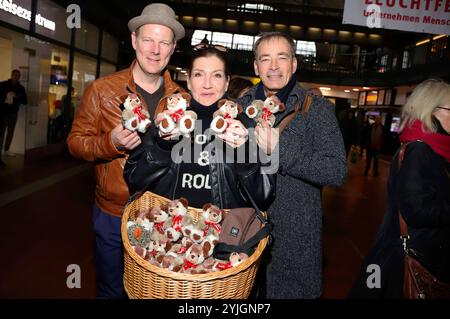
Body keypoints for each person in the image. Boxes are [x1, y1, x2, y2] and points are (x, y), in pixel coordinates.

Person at [67, 3, 186, 299]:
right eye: (148, 39)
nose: (155, 50)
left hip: (161, 213)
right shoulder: (102, 90)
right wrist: (111, 143)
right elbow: (75, 142)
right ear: (134, 41)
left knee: (153, 290)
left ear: (173, 48)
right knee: (112, 289)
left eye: (164, 42)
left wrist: (183, 142)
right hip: (113, 213)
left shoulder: (182, 99)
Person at [238, 31, 347, 298]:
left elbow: (336, 170)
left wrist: (280, 150)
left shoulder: (316, 109)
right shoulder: (240, 108)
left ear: (294, 64)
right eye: (265, 59)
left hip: (293, 243)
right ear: (256, 66)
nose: (273, 66)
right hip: (243, 233)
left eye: (281, 58)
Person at [124, 45, 275, 212]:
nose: (207, 84)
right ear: (188, 81)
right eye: (198, 75)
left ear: (226, 83)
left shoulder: (245, 126)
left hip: (223, 233)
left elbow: (264, 197)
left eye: (216, 75)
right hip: (169, 231)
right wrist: (163, 146)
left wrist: (244, 153)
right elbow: (134, 179)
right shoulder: (167, 121)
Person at [349, 78, 450, 298]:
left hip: (419, 253)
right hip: (406, 257)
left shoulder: (435, 149)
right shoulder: (420, 152)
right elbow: (416, 211)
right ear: (432, 110)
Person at [0, 69, 28, 163]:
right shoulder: (3, 84)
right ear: (11, 75)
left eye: (18, 76)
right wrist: (6, 96)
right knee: (1, 132)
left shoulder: (21, 88)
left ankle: (7, 149)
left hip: (13, 113)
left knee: (10, 132)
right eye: (15, 75)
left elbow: (25, 101)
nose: (16, 77)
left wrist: (17, 97)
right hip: (3, 112)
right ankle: (0, 150)